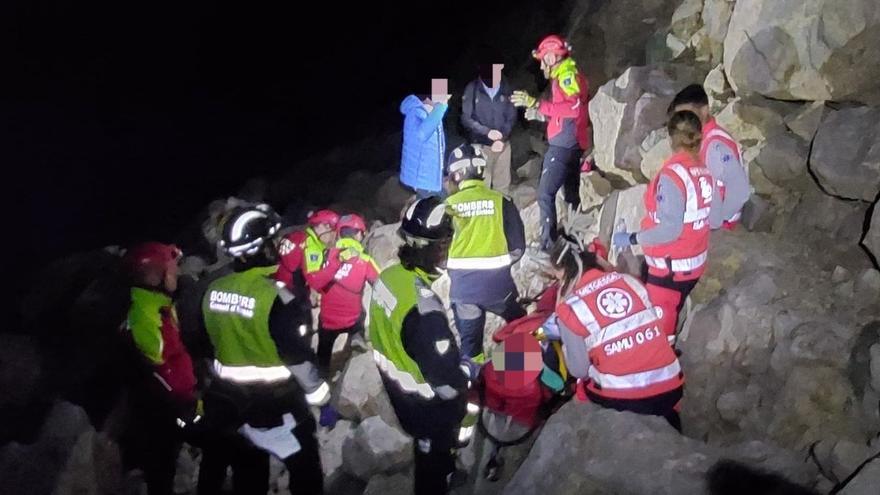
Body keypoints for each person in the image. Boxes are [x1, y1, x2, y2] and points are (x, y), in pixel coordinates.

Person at [194, 205, 327, 495]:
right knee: (306, 473)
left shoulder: (212, 291)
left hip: (230, 407)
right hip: (279, 407)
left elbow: (204, 345)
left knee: (248, 477)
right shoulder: (279, 298)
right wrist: (321, 395)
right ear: (264, 248)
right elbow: (297, 356)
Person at [369, 197, 469, 495]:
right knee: (432, 463)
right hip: (425, 405)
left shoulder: (389, 277)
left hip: (396, 388)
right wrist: (467, 374)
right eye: (446, 243)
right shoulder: (424, 311)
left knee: (426, 449)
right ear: (435, 247)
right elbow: (448, 386)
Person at [546, 234, 685, 431]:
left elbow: (579, 370)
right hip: (671, 386)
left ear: (566, 275)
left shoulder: (571, 309)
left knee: (582, 386)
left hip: (625, 398)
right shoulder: (630, 282)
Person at [612, 111, 715, 340]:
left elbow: (669, 230)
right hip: (693, 260)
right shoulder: (703, 169)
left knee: (659, 330)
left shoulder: (673, 176)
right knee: (672, 310)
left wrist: (631, 238)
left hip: (671, 267)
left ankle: (665, 361)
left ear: (670, 139)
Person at [120, 242, 198, 495]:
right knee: (161, 468)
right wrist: (185, 404)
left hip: (172, 401)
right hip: (163, 409)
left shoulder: (157, 304)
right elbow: (158, 367)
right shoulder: (146, 313)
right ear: (154, 276)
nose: (175, 274)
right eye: (171, 270)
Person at [444, 144, 526, 364]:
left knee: (471, 350)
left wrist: (453, 266)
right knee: (521, 327)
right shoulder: (502, 201)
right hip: (499, 287)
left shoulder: (447, 206)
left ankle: (476, 388)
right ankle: (519, 380)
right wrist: (501, 262)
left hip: (463, 291)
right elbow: (518, 247)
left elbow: (438, 254)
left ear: (456, 174)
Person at [511, 34, 590, 251]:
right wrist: (540, 114)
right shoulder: (566, 74)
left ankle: (548, 243)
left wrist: (538, 104)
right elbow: (566, 111)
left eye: (544, 58)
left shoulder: (566, 75)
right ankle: (576, 237)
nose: (542, 64)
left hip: (563, 145)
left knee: (545, 193)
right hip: (572, 141)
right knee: (571, 193)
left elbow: (573, 108)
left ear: (553, 57)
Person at [309, 213, 380, 374]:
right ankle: (356, 338)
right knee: (360, 314)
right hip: (351, 319)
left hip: (327, 321)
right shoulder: (364, 260)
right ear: (357, 234)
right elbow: (380, 282)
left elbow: (316, 280)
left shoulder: (326, 255)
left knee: (323, 351)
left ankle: (322, 371)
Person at [670, 84, 749, 230]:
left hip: (719, 226)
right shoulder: (702, 139)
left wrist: (717, 222)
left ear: (704, 110)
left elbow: (740, 190)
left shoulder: (715, 145)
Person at [461, 61, 517, 194]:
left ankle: (501, 212)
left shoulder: (506, 87)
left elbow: (511, 115)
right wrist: (487, 133)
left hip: (502, 145)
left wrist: (501, 137)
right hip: (480, 147)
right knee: (481, 186)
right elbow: (466, 118)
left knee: (503, 187)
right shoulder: (472, 89)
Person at [400, 83, 451, 199]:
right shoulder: (414, 112)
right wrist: (441, 108)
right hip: (421, 180)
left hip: (432, 180)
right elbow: (422, 135)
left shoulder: (432, 112)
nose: (446, 100)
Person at [274, 208, 339, 291]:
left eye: (334, 228)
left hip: (283, 285)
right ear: (317, 225)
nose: (332, 232)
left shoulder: (302, 236)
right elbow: (314, 281)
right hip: (287, 290)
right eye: (328, 226)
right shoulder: (310, 246)